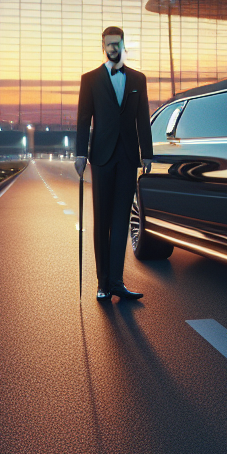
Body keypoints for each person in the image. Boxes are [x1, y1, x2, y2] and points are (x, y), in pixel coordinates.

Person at [75, 27, 153, 301]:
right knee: (102, 220)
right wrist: (79, 154)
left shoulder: (138, 79)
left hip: (129, 157)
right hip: (101, 157)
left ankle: (117, 282)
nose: (112, 48)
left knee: (121, 221)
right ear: (103, 46)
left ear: (122, 45)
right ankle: (102, 283)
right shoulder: (90, 80)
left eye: (116, 43)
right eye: (108, 44)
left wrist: (148, 154)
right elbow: (84, 119)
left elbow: (143, 118)